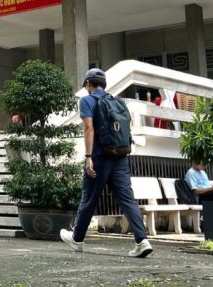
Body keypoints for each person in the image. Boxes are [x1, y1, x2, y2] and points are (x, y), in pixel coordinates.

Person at [61, 68, 154, 258]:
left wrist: (88, 157)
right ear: (103, 84)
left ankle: (77, 239)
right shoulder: (117, 101)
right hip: (120, 156)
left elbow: (89, 128)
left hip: (99, 156)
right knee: (127, 199)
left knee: (89, 198)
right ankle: (142, 240)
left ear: (88, 84)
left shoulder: (87, 100)